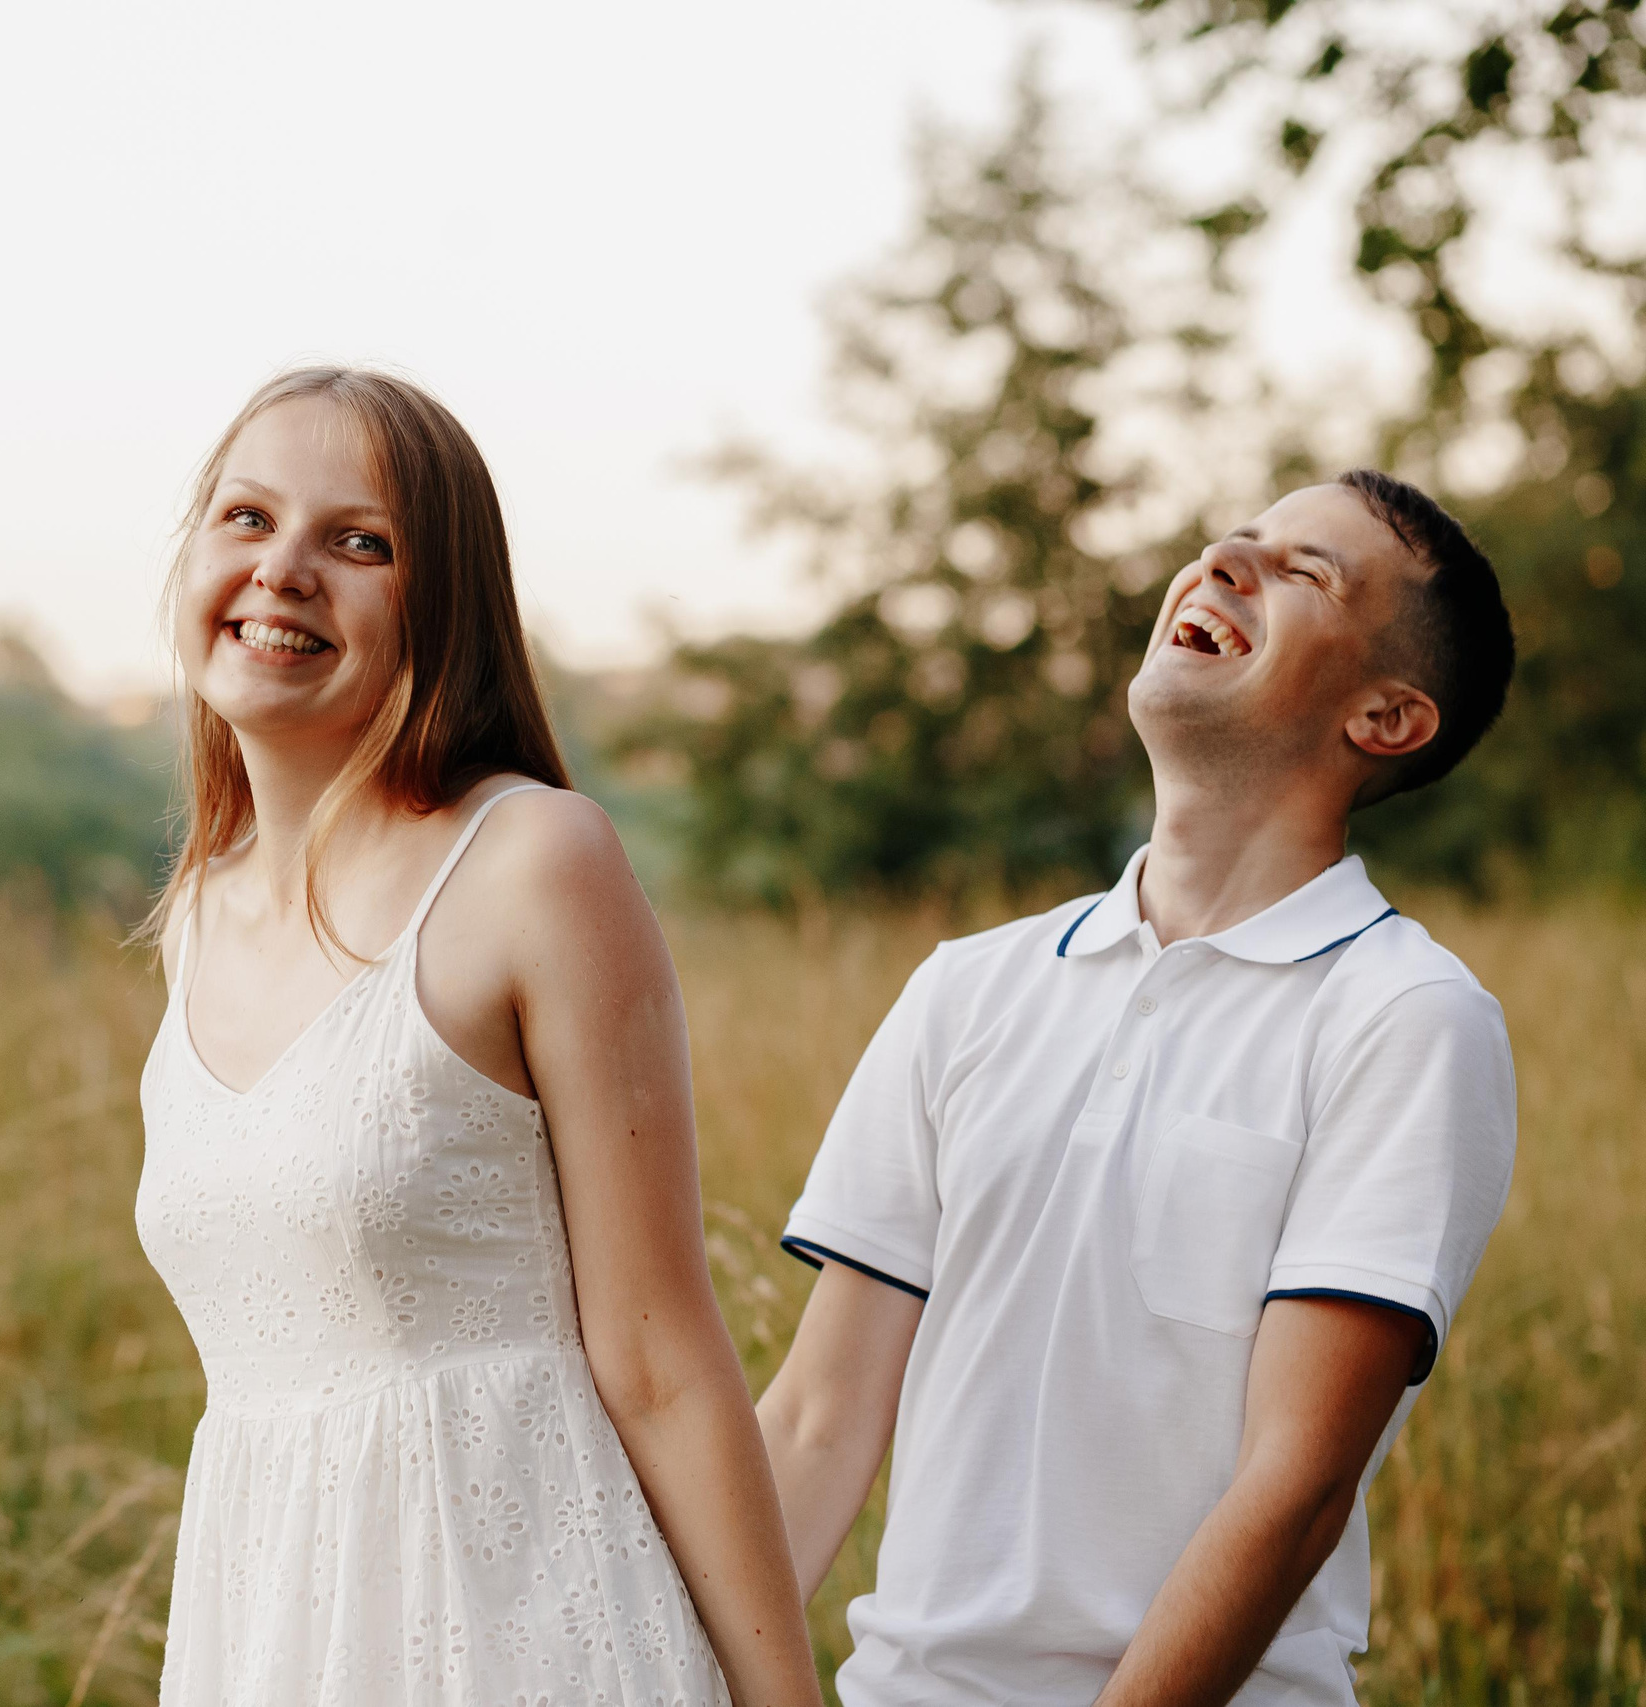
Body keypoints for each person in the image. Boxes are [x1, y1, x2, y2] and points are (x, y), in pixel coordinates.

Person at [755, 470, 1518, 1706]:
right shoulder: (967, 988)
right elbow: (814, 1423)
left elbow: (1294, 1486)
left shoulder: (1404, 1018)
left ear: (1385, 717)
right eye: (1240, 538)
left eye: (1303, 571)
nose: (1225, 557)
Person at [135, 366, 823, 1707]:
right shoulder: (195, 918)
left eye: (359, 540)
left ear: (439, 604)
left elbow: (660, 1352)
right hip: (272, 1635)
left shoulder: (530, 861)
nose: (284, 569)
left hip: (525, 1629)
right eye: (246, 517)